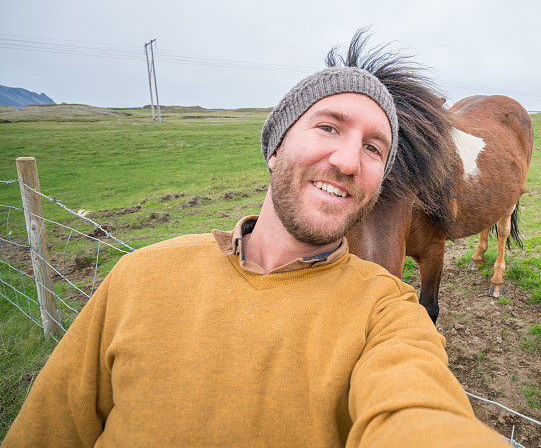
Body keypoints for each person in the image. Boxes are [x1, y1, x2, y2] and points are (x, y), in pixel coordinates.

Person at [5, 36, 506, 447]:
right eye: (328, 127)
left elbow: (416, 408)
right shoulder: (139, 278)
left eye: (373, 148)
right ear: (275, 145)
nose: (349, 161)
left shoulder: (388, 312)